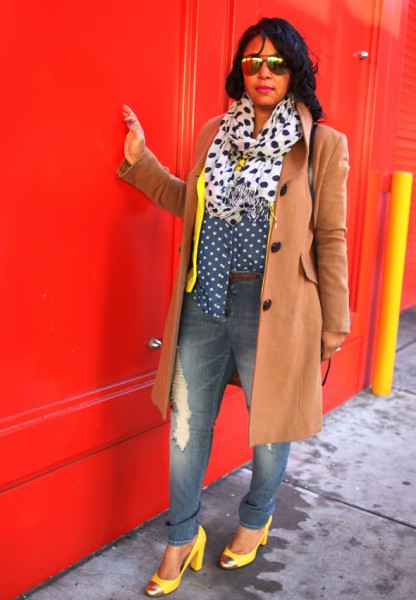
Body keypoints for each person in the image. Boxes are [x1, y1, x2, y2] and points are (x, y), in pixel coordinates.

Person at [118, 17, 349, 597]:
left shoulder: (321, 143)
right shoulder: (213, 133)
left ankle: (256, 516)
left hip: (278, 308)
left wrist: (334, 322)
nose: (263, 72)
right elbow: (188, 201)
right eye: (252, 62)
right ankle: (181, 536)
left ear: (294, 69)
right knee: (187, 429)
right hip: (205, 298)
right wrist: (142, 162)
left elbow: (330, 236)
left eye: (276, 62)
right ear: (239, 71)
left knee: (271, 430)